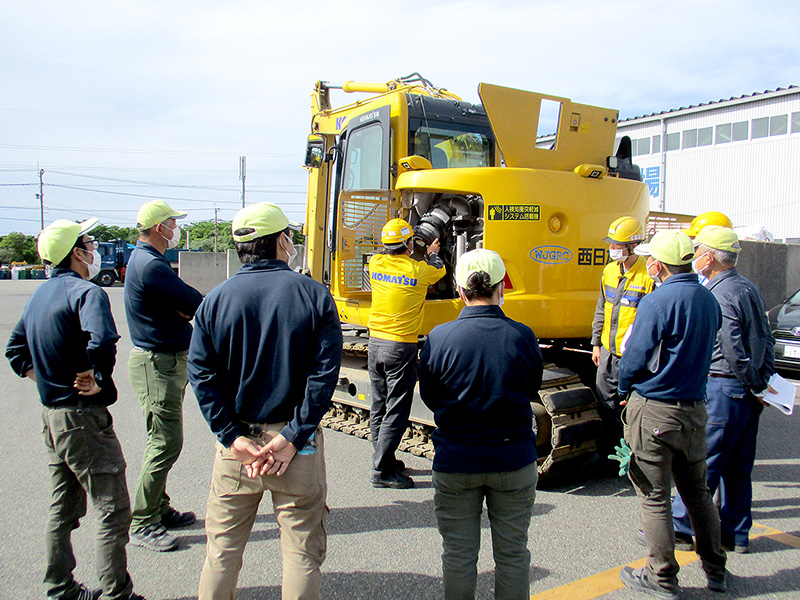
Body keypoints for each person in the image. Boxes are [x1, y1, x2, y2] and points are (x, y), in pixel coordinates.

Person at [188, 202, 342, 600]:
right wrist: (292, 436)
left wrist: (231, 437)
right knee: (301, 554)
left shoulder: (214, 301)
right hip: (296, 445)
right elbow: (323, 377)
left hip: (238, 447)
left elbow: (201, 375)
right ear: (282, 241)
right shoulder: (313, 295)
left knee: (221, 553)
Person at [6, 219, 144, 600]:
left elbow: (16, 352)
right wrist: (95, 376)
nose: (93, 247)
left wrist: (49, 378)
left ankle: (60, 588)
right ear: (75, 252)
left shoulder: (40, 294)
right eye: (88, 242)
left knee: (63, 506)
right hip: (83, 418)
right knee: (112, 509)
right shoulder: (87, 292)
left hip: (52, 417)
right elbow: (102, 338)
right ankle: (117, 593)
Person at [419, 249, 542, 600]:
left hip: (457, 460)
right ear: (502, 286)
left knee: (458, 555)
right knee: (513, 553)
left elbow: (430, 396)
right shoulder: (522, 335)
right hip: (513, 458)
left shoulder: (440, 338)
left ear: (460, 290)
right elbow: (530, 386)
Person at [617, 230, 727, 599]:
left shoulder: (658, 300)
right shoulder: (708, 299)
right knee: (698, 492)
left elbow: (634, 356)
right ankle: (716, 569)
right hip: (695, 410)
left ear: (658, 265)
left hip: (657, 409)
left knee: (654, 496)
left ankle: (662, 577)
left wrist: (622, 388)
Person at [672, 226, 775, 554]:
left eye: (699, 249)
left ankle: (680, 526)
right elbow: (765, 336)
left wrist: (751, 379)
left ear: (710, 257)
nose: (696, 256)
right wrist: (763, 380)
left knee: (704, 461)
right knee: (739, 467)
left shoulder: (718, 293)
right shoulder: (747, 288)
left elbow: (731, 346)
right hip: (747, 391)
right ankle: (736, 533)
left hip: (724, 386)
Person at [125, 200, 203, 552]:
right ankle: (143, 521)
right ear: (160, 228)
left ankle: (158, 506)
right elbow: (193, 303)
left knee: (162, 438)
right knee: (165, 442)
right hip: (158, 364)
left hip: (161, 363)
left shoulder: (146, 261)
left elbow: (183, 305)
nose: (176, 229)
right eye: (173, 223)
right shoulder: (152, 266)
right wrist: (184, 310)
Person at [367, 217, 445, 489]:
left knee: (379, 404)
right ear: (409, 244)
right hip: (400, 346)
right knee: (397, 409)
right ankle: (382, 471)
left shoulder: (375, 264)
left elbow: (386, 253)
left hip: (375, 343)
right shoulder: (418, 271)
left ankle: (383, 458)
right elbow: (440, 270)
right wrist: (433, 253)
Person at [591, 216, 653, 457]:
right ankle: (610, 453)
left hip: (632, 354)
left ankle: (634, 454)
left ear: (632, 246)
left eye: (617, 245)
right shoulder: (609, 271)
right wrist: (596, 343)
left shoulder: (647, 275)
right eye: (612, 245)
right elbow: (601, 309)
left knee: (631, 406)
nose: (612, 249)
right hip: (607, 349)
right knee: (606, 404)